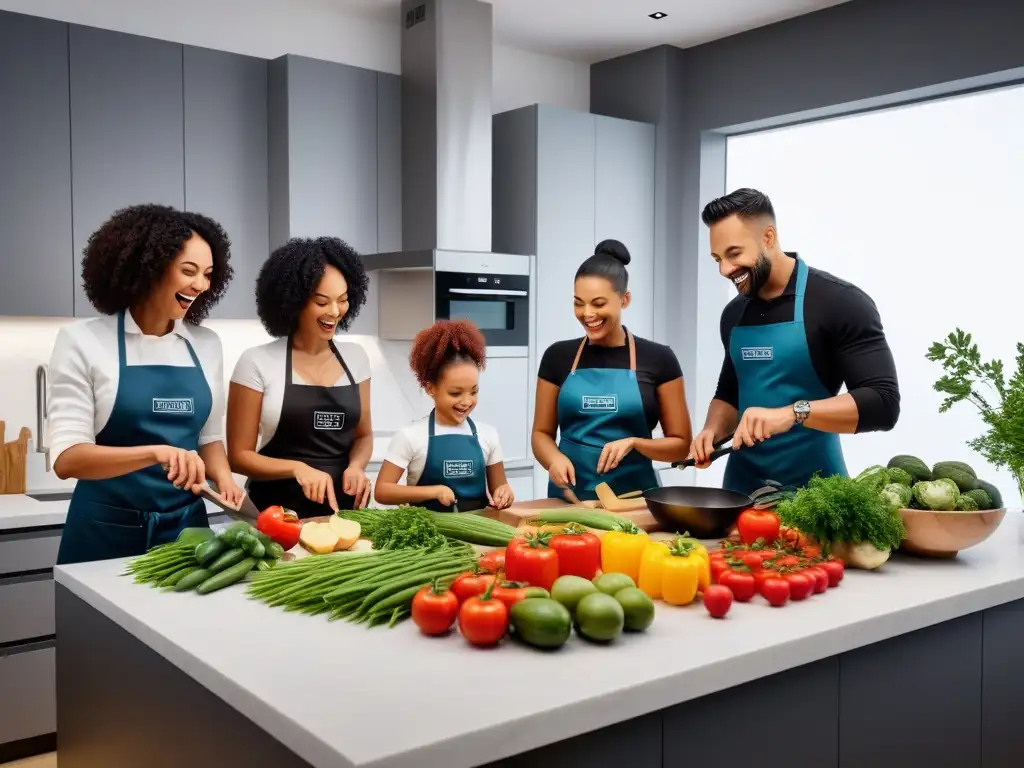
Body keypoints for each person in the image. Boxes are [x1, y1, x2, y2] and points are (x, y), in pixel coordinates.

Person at [49, 204, 242, 565]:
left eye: (207, 274)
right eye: (188, 271)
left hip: (187, 533)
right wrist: (156, 452)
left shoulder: (206, 344)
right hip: (105, 530)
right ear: (149, 267)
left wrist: (226, 480)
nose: (200, 285)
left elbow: (209, 439)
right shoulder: (83, 341)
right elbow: (67, 459)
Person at [689, 188, 900, 495]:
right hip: (740, 497)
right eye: (717, 259)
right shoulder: (733, 314)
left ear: (768, 238)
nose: (725, 269)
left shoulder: (839, 302)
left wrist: (792, 413)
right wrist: (712, 430)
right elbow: (731, 391)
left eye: (734, 254)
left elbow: (883, 403)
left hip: (818, 499)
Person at [532, 240, 692, 501]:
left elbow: (681, 445)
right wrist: (554, 460)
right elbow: (541, 434)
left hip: (637, 501)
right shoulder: (557, 357)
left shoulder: (658, 359)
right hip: (569, 500)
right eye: (578, 303)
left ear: (624, 299)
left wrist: (635, 443)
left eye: (598, 303)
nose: (587, 314)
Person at [227, 237, 373, 517]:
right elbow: (238, 457)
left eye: (342, 301)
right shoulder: (257, 361)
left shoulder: (357, 358)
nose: (334, 312)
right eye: (322, 302)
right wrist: (297, 468)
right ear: (294, 301)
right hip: (273, 516)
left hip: (341, 514)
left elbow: (364, 436)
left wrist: (356, 466)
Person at [374, 320, 514, 512]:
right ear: (431, 388)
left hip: (479, 533)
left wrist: (505, 492)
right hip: (428, 535)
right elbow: (382, 491)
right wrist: (434, 491)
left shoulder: (488, 435)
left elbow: (499, 488)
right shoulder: (411, 436)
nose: (466, 401)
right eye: (455, 393)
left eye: (473, 392)